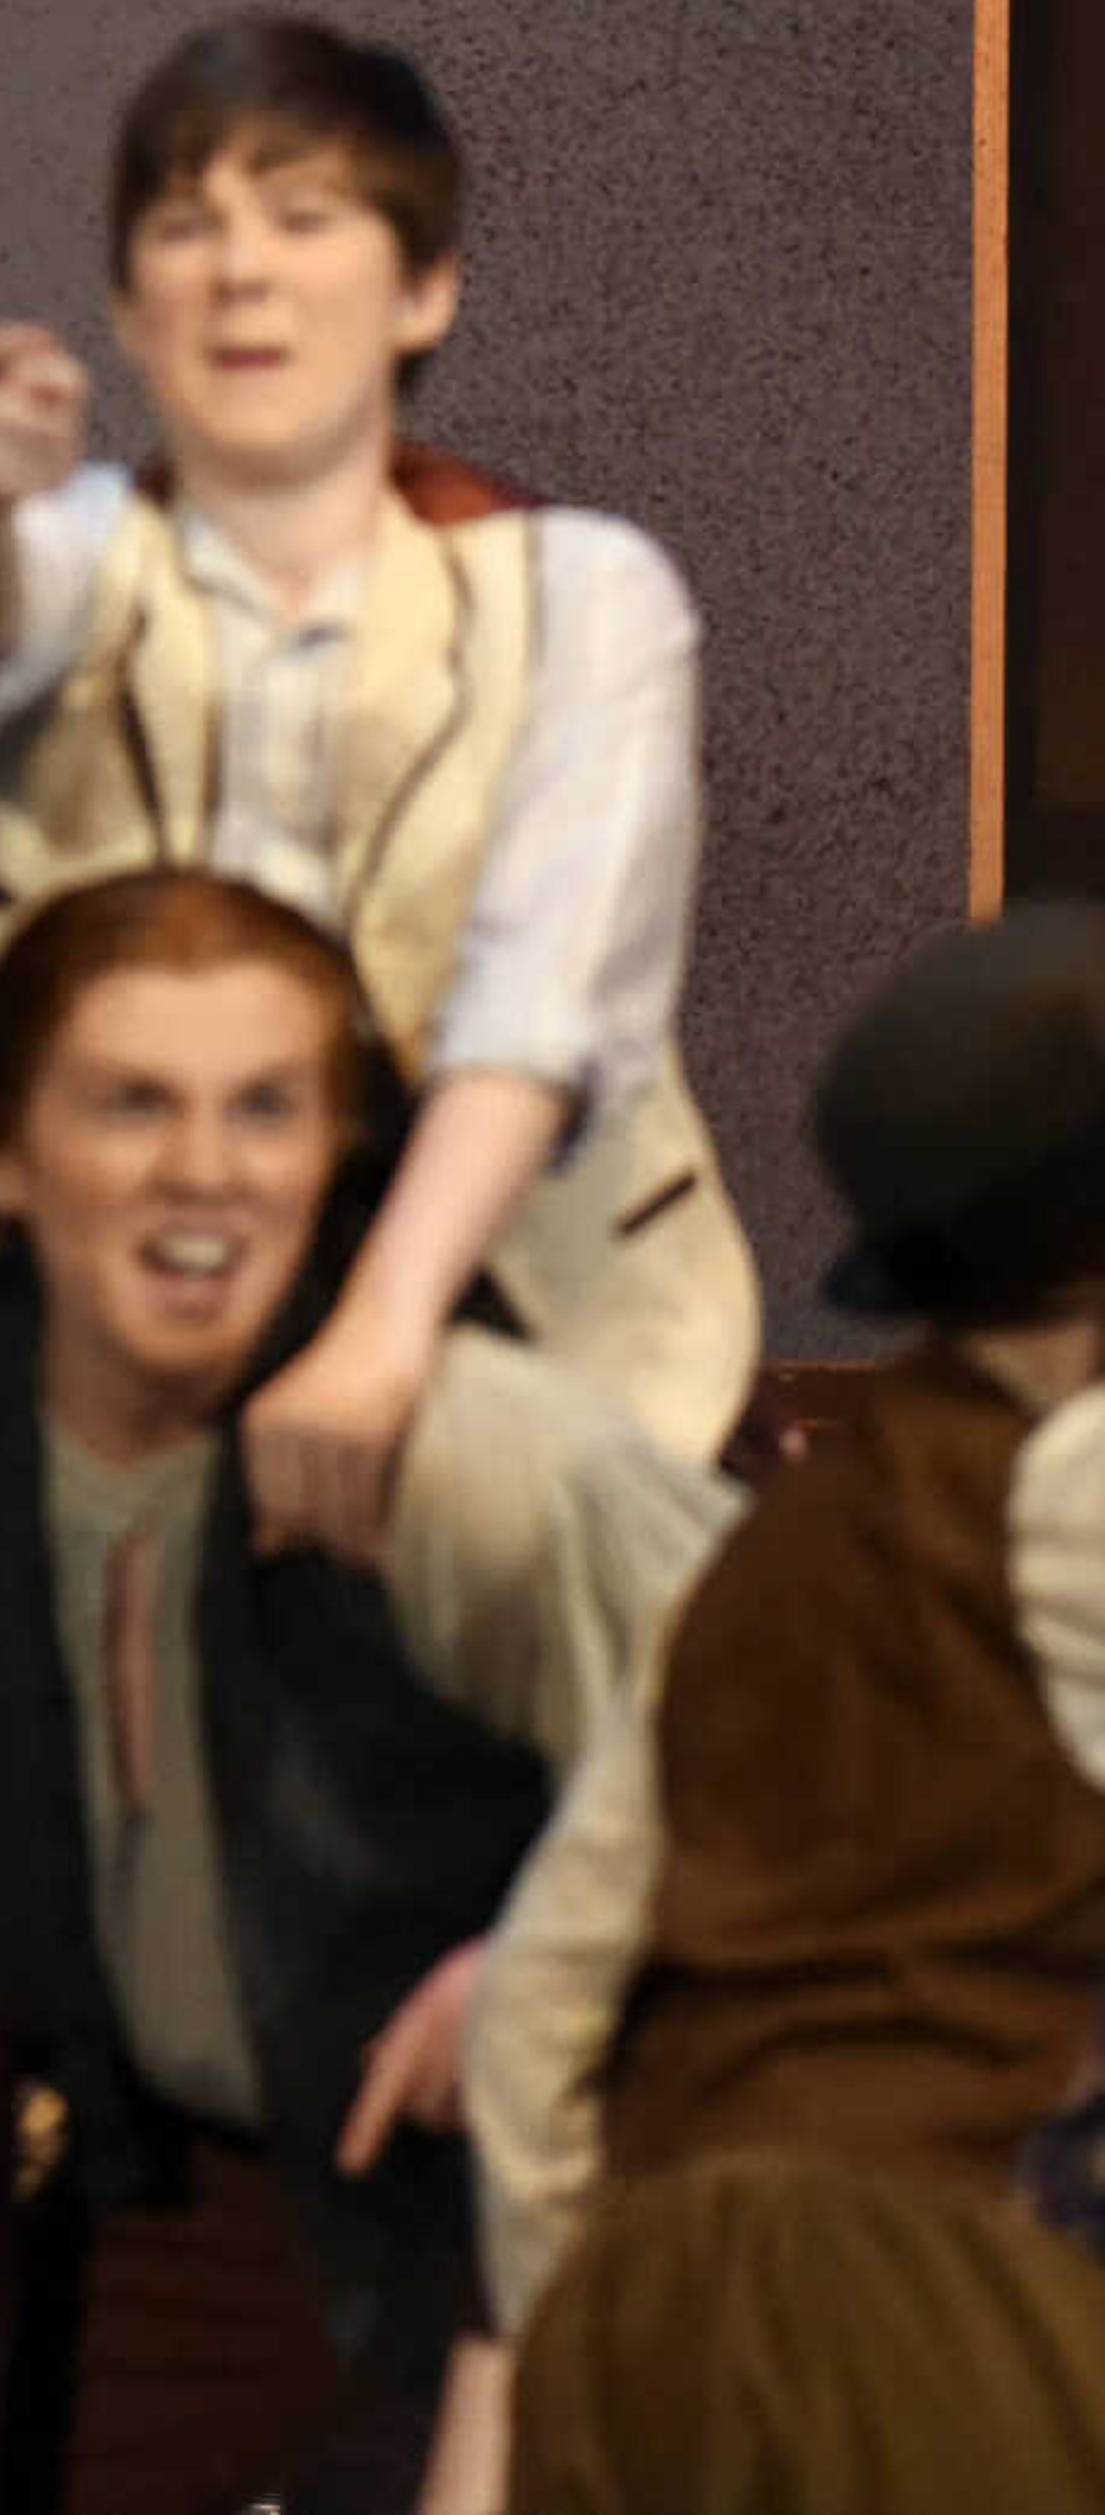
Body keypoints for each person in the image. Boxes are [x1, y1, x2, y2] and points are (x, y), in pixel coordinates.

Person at [0, 870, 737, 2514]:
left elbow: (797, 1747)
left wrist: (551, 1958)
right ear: (7, 1154)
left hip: (506, 2192)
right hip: (162, 2177)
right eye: (132, 1104)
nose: (204, 1169)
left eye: (266, 1108)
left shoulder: (476, 1453)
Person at [0, 14, 759, 1570]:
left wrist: (387, 1329)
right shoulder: (76, 559)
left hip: (524, 1312)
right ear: (131, 308)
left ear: (424, 287)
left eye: (304, 215)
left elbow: (543, 990)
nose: (241, 270)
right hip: (97, 1334)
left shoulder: (583, 594)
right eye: (187, 226)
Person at [470, 902, 1105, 2512]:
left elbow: (540, 2001)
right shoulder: (1076, 1487)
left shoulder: (773, 1554)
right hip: (935, 2307)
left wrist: (586, 2317)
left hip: (663, 2307)